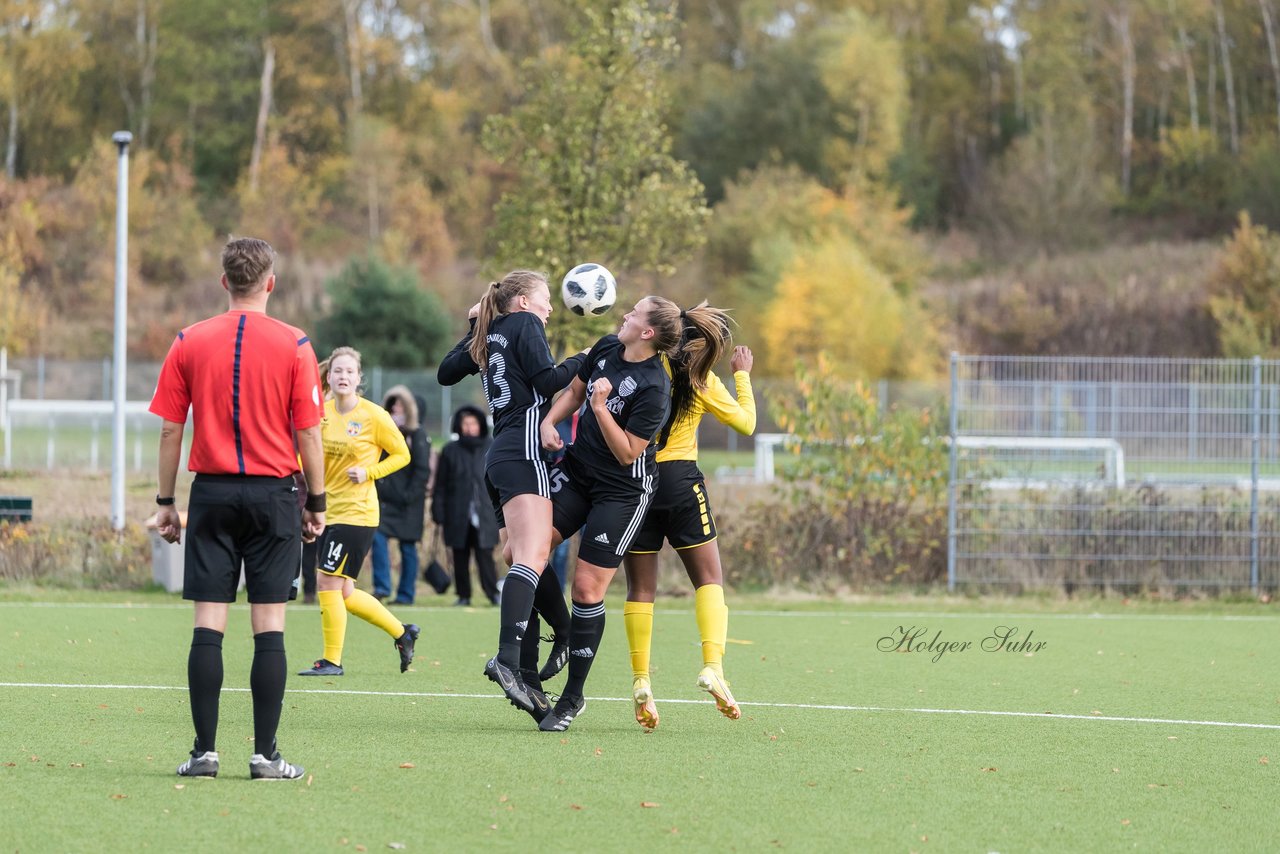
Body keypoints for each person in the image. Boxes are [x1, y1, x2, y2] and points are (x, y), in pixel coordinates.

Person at [150, 236, 324, 781]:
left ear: (225, 282)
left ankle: (204, 753)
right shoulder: (296, 344)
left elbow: (170, 429)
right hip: (274, 496)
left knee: (209, 624)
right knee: (269, 626)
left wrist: (165, 503)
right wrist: (316, 502)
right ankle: (266, 756)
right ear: (270, 282)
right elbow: (310, 435)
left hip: (213, 495)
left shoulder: (188, 340)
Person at [436, 270, 583, 722]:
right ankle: (512, 658)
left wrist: (473, 328)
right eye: (544, 299)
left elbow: (445, 373)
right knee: (532, 556)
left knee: (518, 553)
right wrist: (585, 358)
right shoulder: (524, 324)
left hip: (499, 455)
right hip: (522, 451)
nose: (550, 307)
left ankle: (540, 657)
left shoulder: (491, 332)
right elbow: (546, 383)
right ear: (521, 301)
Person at [533, 295, 683, 733]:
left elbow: (627, 453)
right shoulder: (604, 347)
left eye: (633, 313)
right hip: (579, 473)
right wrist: (549, 420)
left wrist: (600, 408)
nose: (624, 315)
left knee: (585, 589)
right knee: (523, 550)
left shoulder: (655, 388)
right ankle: (562, 632)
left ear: (648, 332)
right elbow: (575, 390)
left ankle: (572, 697)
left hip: (623, 491)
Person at [622, 304, 755, 730]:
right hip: (681, 480)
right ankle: (712, 666)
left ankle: (642, 679)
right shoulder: (701, 380)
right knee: (710, 579)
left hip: (636, 478)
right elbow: (747, 424)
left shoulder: (643, 366)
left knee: (640, 588)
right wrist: (742, 375)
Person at [298, 347, 421, 677]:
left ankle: (332, 661)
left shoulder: (373, 416)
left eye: (349, 372)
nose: (343, 377)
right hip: (328, 511)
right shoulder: (320, 413)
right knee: (345, 592)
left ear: (358, 378)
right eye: (337, 371)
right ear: (329, 376)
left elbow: (402, 455)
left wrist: (370, 473)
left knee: (326, 582)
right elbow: (306, 454)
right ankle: (402, 632)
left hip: (357, 514)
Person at [432, 404, 500, 607]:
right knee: (459, 556)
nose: (469, 427)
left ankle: (492, 593)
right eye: (465, 424)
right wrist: (438, 510)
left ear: (480, 424)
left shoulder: (491, 446)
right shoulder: (450, 450)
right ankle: (463, 595)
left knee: (485, 555)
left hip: (485, 512)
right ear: (459, 426)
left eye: (473, 423)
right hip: (457, 512)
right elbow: (440, 484)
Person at [370, 386, 431, 605]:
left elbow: (422, 470)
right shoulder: (383, 432)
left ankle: (405, 594)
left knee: (407, 548)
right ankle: (382, 587)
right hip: (384, 502)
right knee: (377, 538)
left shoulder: (418, 435)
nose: (396, 409)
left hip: (409, 504)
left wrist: (409, 495)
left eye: (400, 405)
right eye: (393, 404)